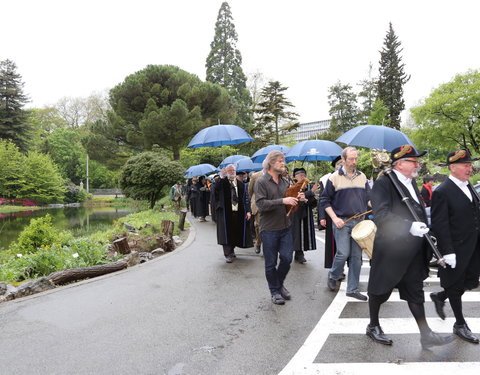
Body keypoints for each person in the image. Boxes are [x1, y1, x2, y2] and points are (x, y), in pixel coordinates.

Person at [366, 144, 454, 349]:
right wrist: (408, 226)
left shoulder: (411, 183)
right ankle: (373, 325)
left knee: (415, 291)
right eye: (413, 161)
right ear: (400, 164)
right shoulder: (384, 183)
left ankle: (426, 334)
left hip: (413, 248)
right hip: (391, 248)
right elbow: (381, 215)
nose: (418, 164)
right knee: (380, 290)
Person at [430, 149, 480, 344]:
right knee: (456, 283)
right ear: (452, 167)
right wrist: (448, 251)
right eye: (465, 165)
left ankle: (440, 296)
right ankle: (460, 324)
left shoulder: (469, 186)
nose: (470, 169)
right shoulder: (442, 191)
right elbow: (440, 224)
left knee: (470, 282)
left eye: (470, 165)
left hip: (473, 245)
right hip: (456, 248)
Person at [320, 147, 370, 301]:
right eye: (351, 159)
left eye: (356, 159)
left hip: (359, 222)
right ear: (343, 160)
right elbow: (324, 200)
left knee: (356, 257)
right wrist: (334, 218)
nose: (354, 162)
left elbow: (368, 198)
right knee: (343, 253)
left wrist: (376, 204)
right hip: (342, 221)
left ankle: (352, 289)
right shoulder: (334, 178)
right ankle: (334, 274)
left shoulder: (362, 177)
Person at [254, 150, 299, 305]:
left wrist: (298, 199)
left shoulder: (286, 182)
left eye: (283, 161)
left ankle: (278, 285)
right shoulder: (261, 182)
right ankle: (274, 291)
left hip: (286, 226)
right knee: (270, 263)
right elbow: (261, 205)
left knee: (287, 258)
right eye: (280, 161)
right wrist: (283, 201)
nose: (283, 163)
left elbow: (289, 202)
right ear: (271, 163)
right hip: (269, 229)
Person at [214, 164, 253, 263]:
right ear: (226, 172)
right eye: (230, 170)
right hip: (226, 212)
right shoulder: (223, 183)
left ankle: (232, 250)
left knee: (235, 232)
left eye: (233, 170)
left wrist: (248, 211)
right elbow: (216, 190)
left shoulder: (240, 184)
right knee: (227, 233)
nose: (232, 172)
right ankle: (228, 254)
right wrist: (221, 177)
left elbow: (246, 199)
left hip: (238, 212)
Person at [318, 156, 343, 270]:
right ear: (335, 165)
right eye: (339, 163)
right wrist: (322, 217)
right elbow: (322, 199)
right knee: (333, 244)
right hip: (331, 214)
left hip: (347, 214)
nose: (341, 165)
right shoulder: (326, 178)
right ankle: (335, 269)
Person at [291, 167, 317, 264]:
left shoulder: (309, 186)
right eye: (299, 175)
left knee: (305, 234)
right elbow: (293, 197)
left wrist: (307, 200)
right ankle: (297, 252)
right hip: (295, 213)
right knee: (296, 233)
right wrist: (309, 193)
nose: (302, 176)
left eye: (303, 175)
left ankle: (300, 253)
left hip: (307, 213)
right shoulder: (292, 185)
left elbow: (314, 202)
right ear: (295, 176)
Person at [248, 169, 265, 254]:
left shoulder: (275, 174)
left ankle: (267, 246)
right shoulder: (255, 176)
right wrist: (254, 200)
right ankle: (258, 243)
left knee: (269, 226)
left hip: (271, 204)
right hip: (258, 204)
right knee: (258, 225)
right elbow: (250, 191)